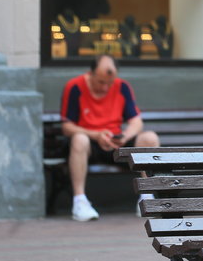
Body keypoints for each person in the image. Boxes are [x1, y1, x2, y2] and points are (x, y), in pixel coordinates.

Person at [60, 54, 160, 221]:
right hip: (89, 144)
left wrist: (125, 136)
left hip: (116, 142)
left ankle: (147, 196)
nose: (106, 88)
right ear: (90, 73)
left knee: (150, 138)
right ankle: (79, 201)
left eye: (110, 82)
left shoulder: (122, 87)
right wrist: (96, 135)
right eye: (100, 82)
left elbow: (136, 121)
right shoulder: (74, 87)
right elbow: (66, 127)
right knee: (79, 139)